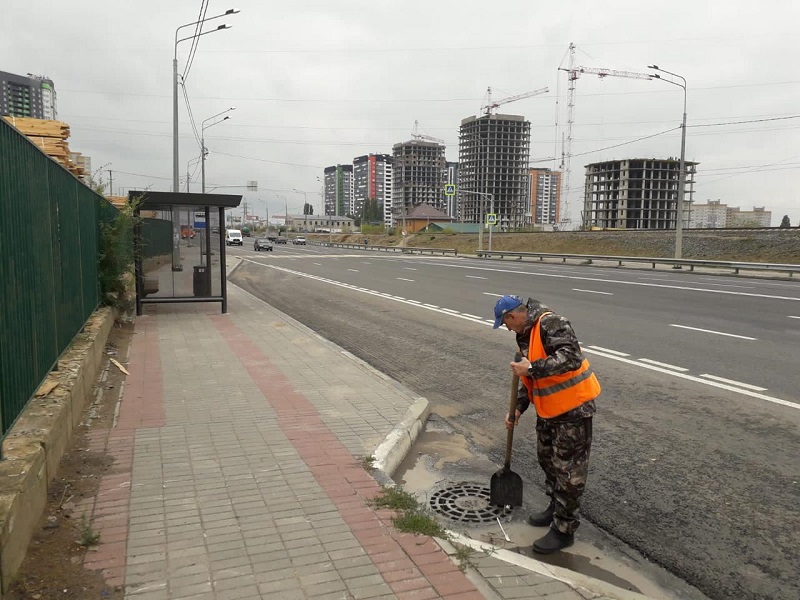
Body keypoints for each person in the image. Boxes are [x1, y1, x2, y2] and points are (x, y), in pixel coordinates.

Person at [493, 294, 601, 554]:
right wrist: (518, 408)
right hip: (549, 411)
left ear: (512, 316)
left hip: (574, 410)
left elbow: (571, 357)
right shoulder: (525, 335)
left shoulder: (551, 323)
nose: (507, 329)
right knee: (547, 460)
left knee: (568, 473)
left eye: (505, 323)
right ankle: (556, 508)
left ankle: (564, 530)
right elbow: (530, 381)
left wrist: (532, 368)